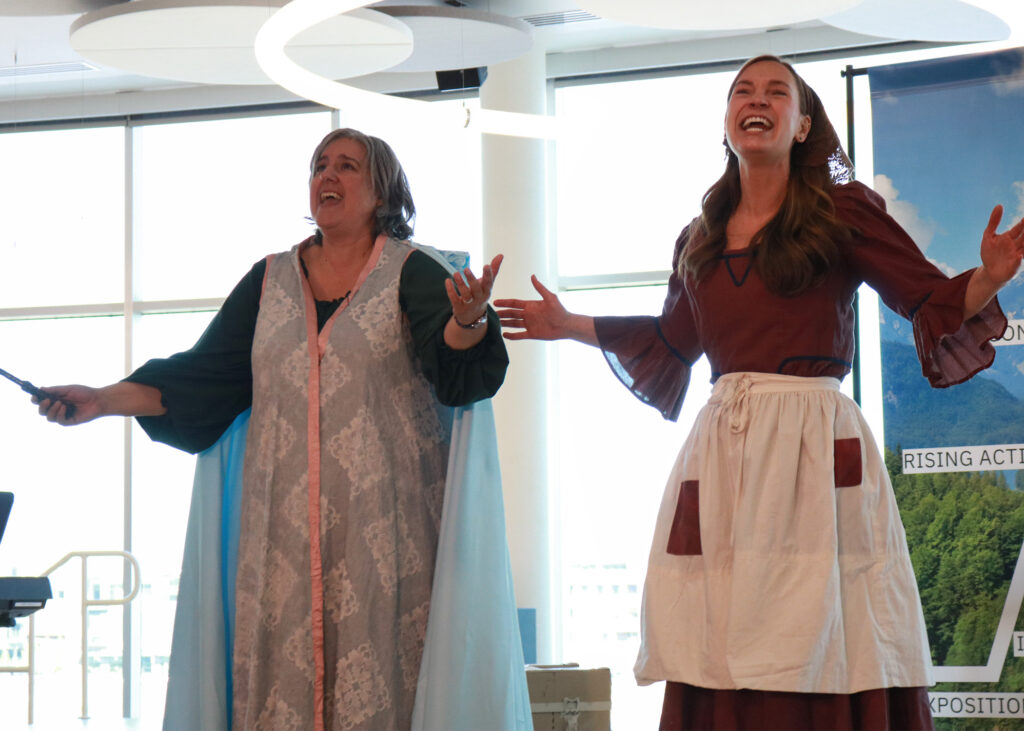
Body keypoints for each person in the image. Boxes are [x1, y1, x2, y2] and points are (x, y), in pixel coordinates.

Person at [496, 55, 1024, 730]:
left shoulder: (843, 213)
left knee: (827, 621)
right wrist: (571, 324)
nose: (758, 100)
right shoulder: (700, 239)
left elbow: (928, 300)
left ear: (802, 125)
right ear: (727, 121)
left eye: (777, 92)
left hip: (814, 444)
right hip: (726, 452)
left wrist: (989, 276)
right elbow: (670, 341)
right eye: (743, 91)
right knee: (721, 627)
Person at [35, 128, 517, 730]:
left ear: (381, 193)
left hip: (384, 547)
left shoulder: (414, 271)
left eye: (347, 166)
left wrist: (468, 321)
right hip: (280, 552)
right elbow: (202, 379)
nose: (328, 176)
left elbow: (456, 371)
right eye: (320, 165)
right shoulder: (268, 281)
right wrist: (102, 400)